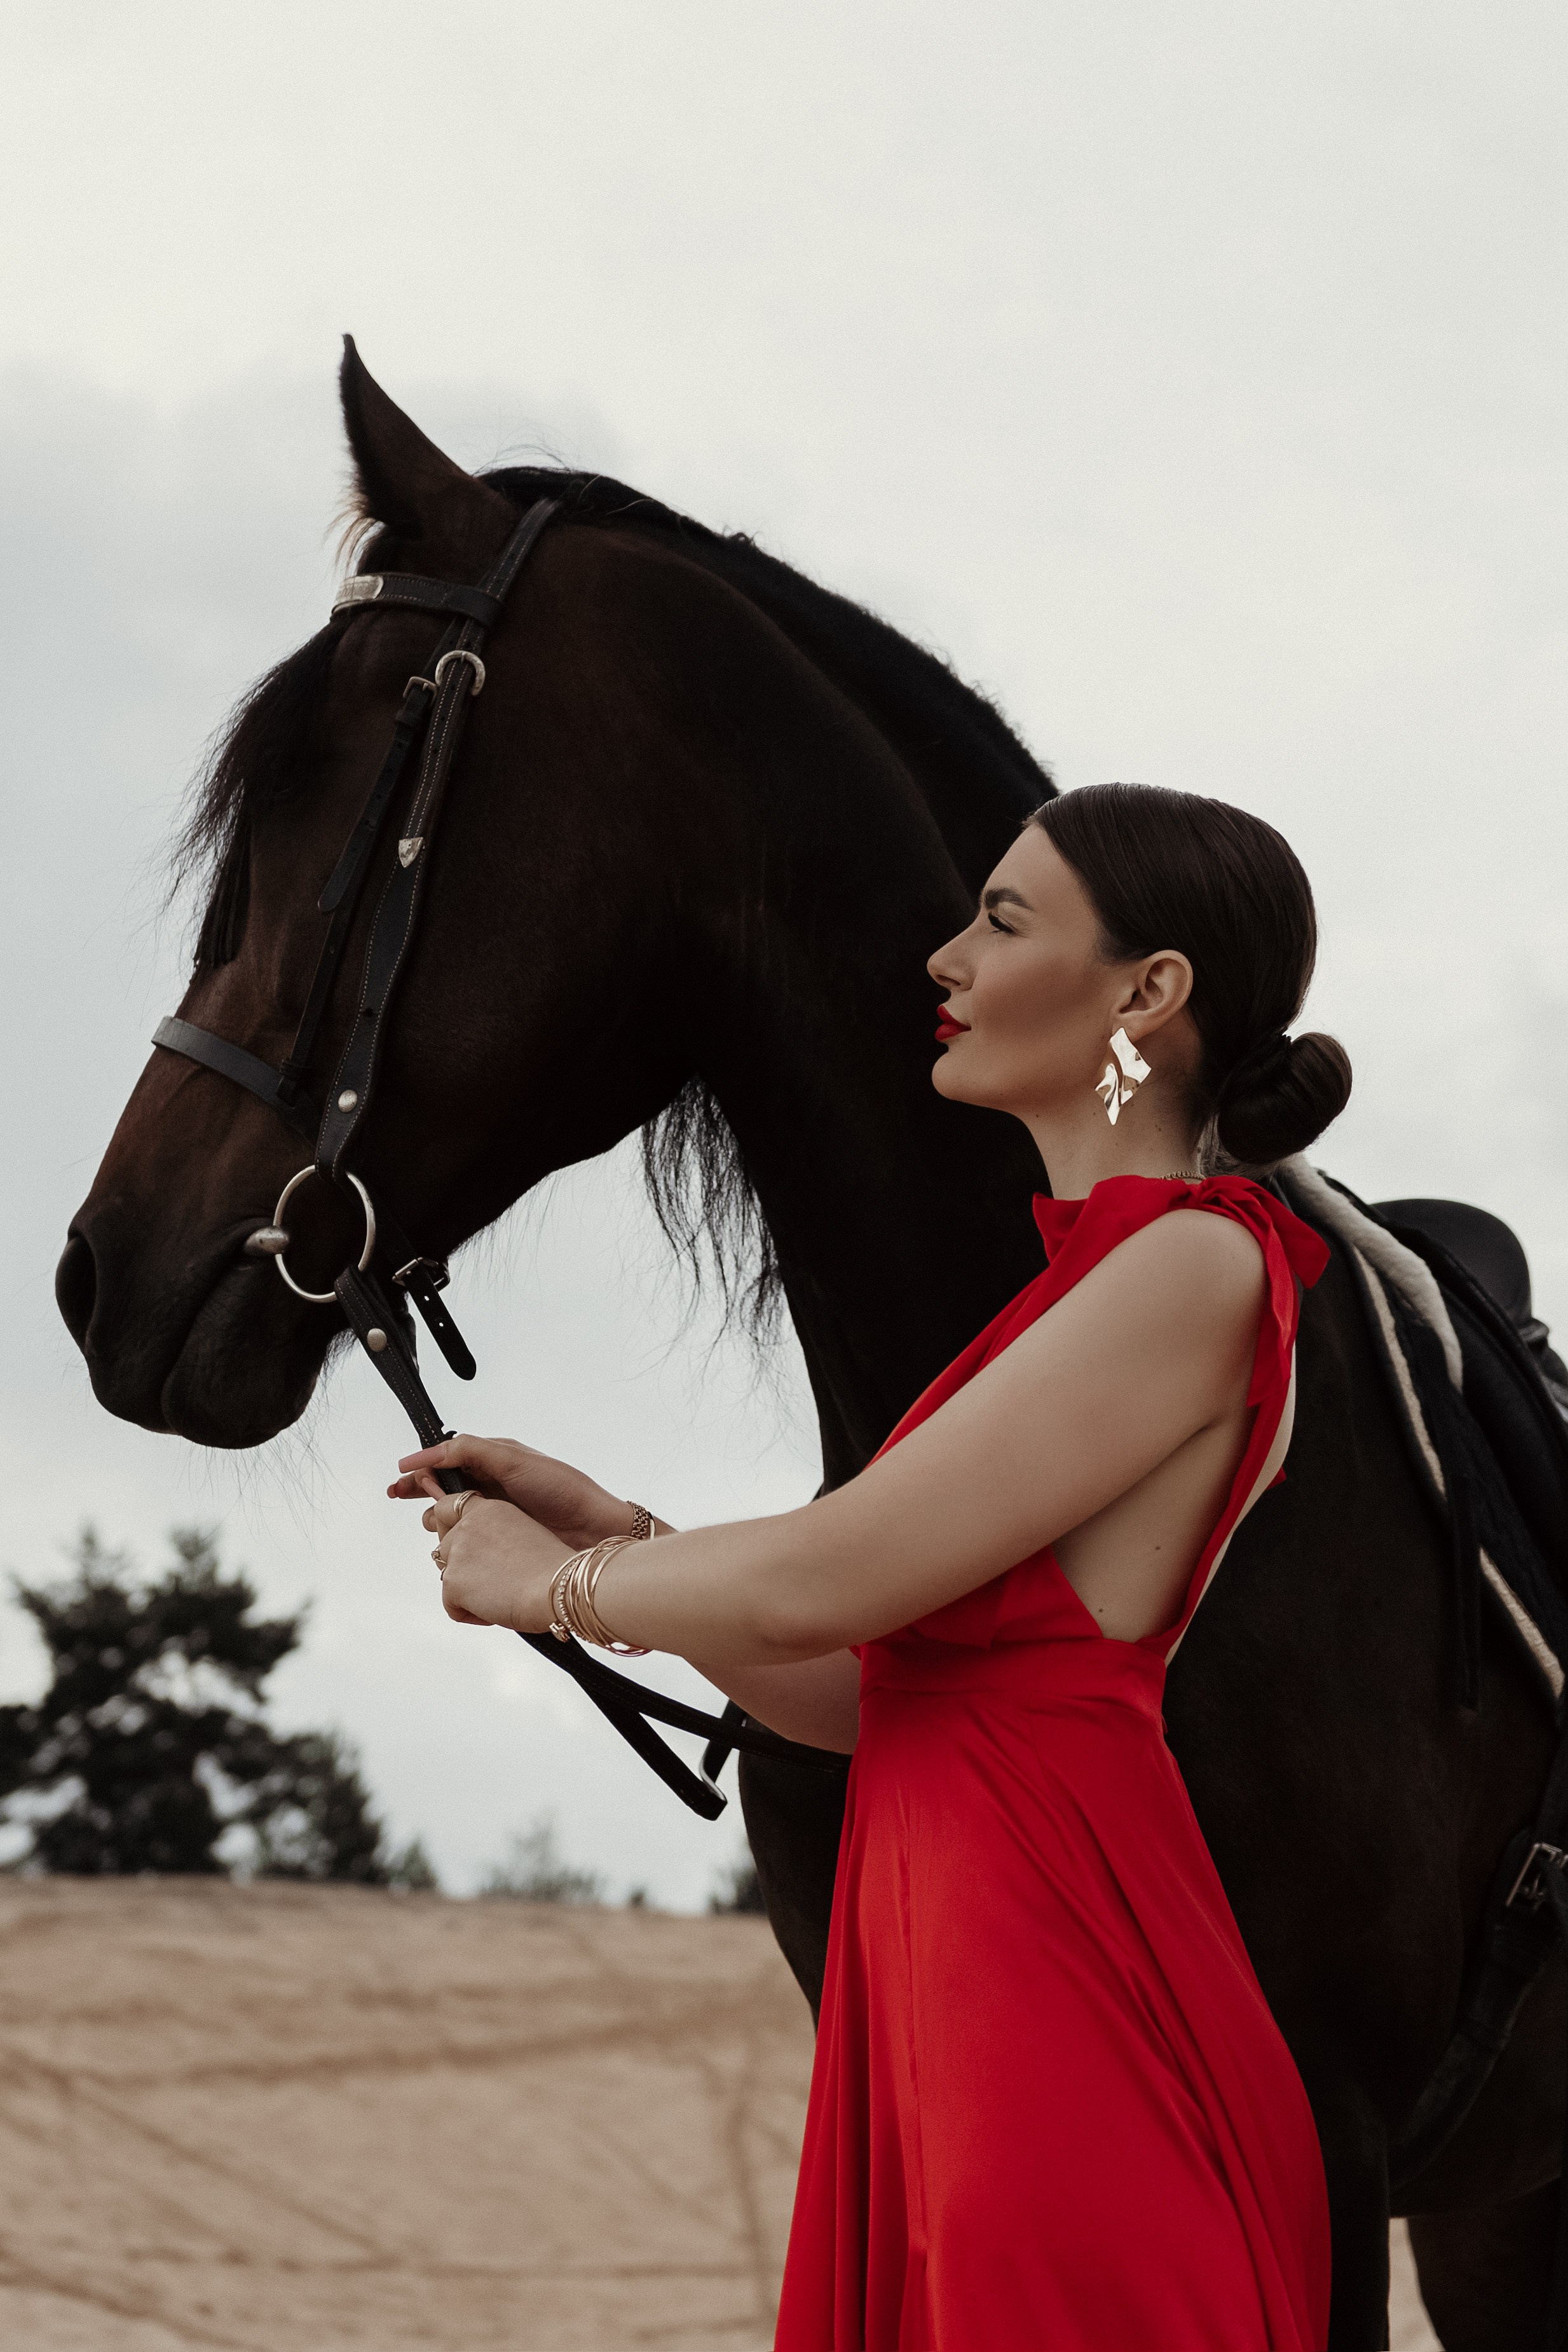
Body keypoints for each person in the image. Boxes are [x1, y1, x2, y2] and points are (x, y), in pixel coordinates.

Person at [390, 781, 1351, 2350]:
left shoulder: (1197, 1257)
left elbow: (825, 1577)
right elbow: (863, 1685)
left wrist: (543, 1586)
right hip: (960, 1986)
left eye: (1003, 918)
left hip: (1060, 1999)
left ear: (1148, 991)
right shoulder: (1085, 1286)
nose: (945, 956)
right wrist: (617, 1531)